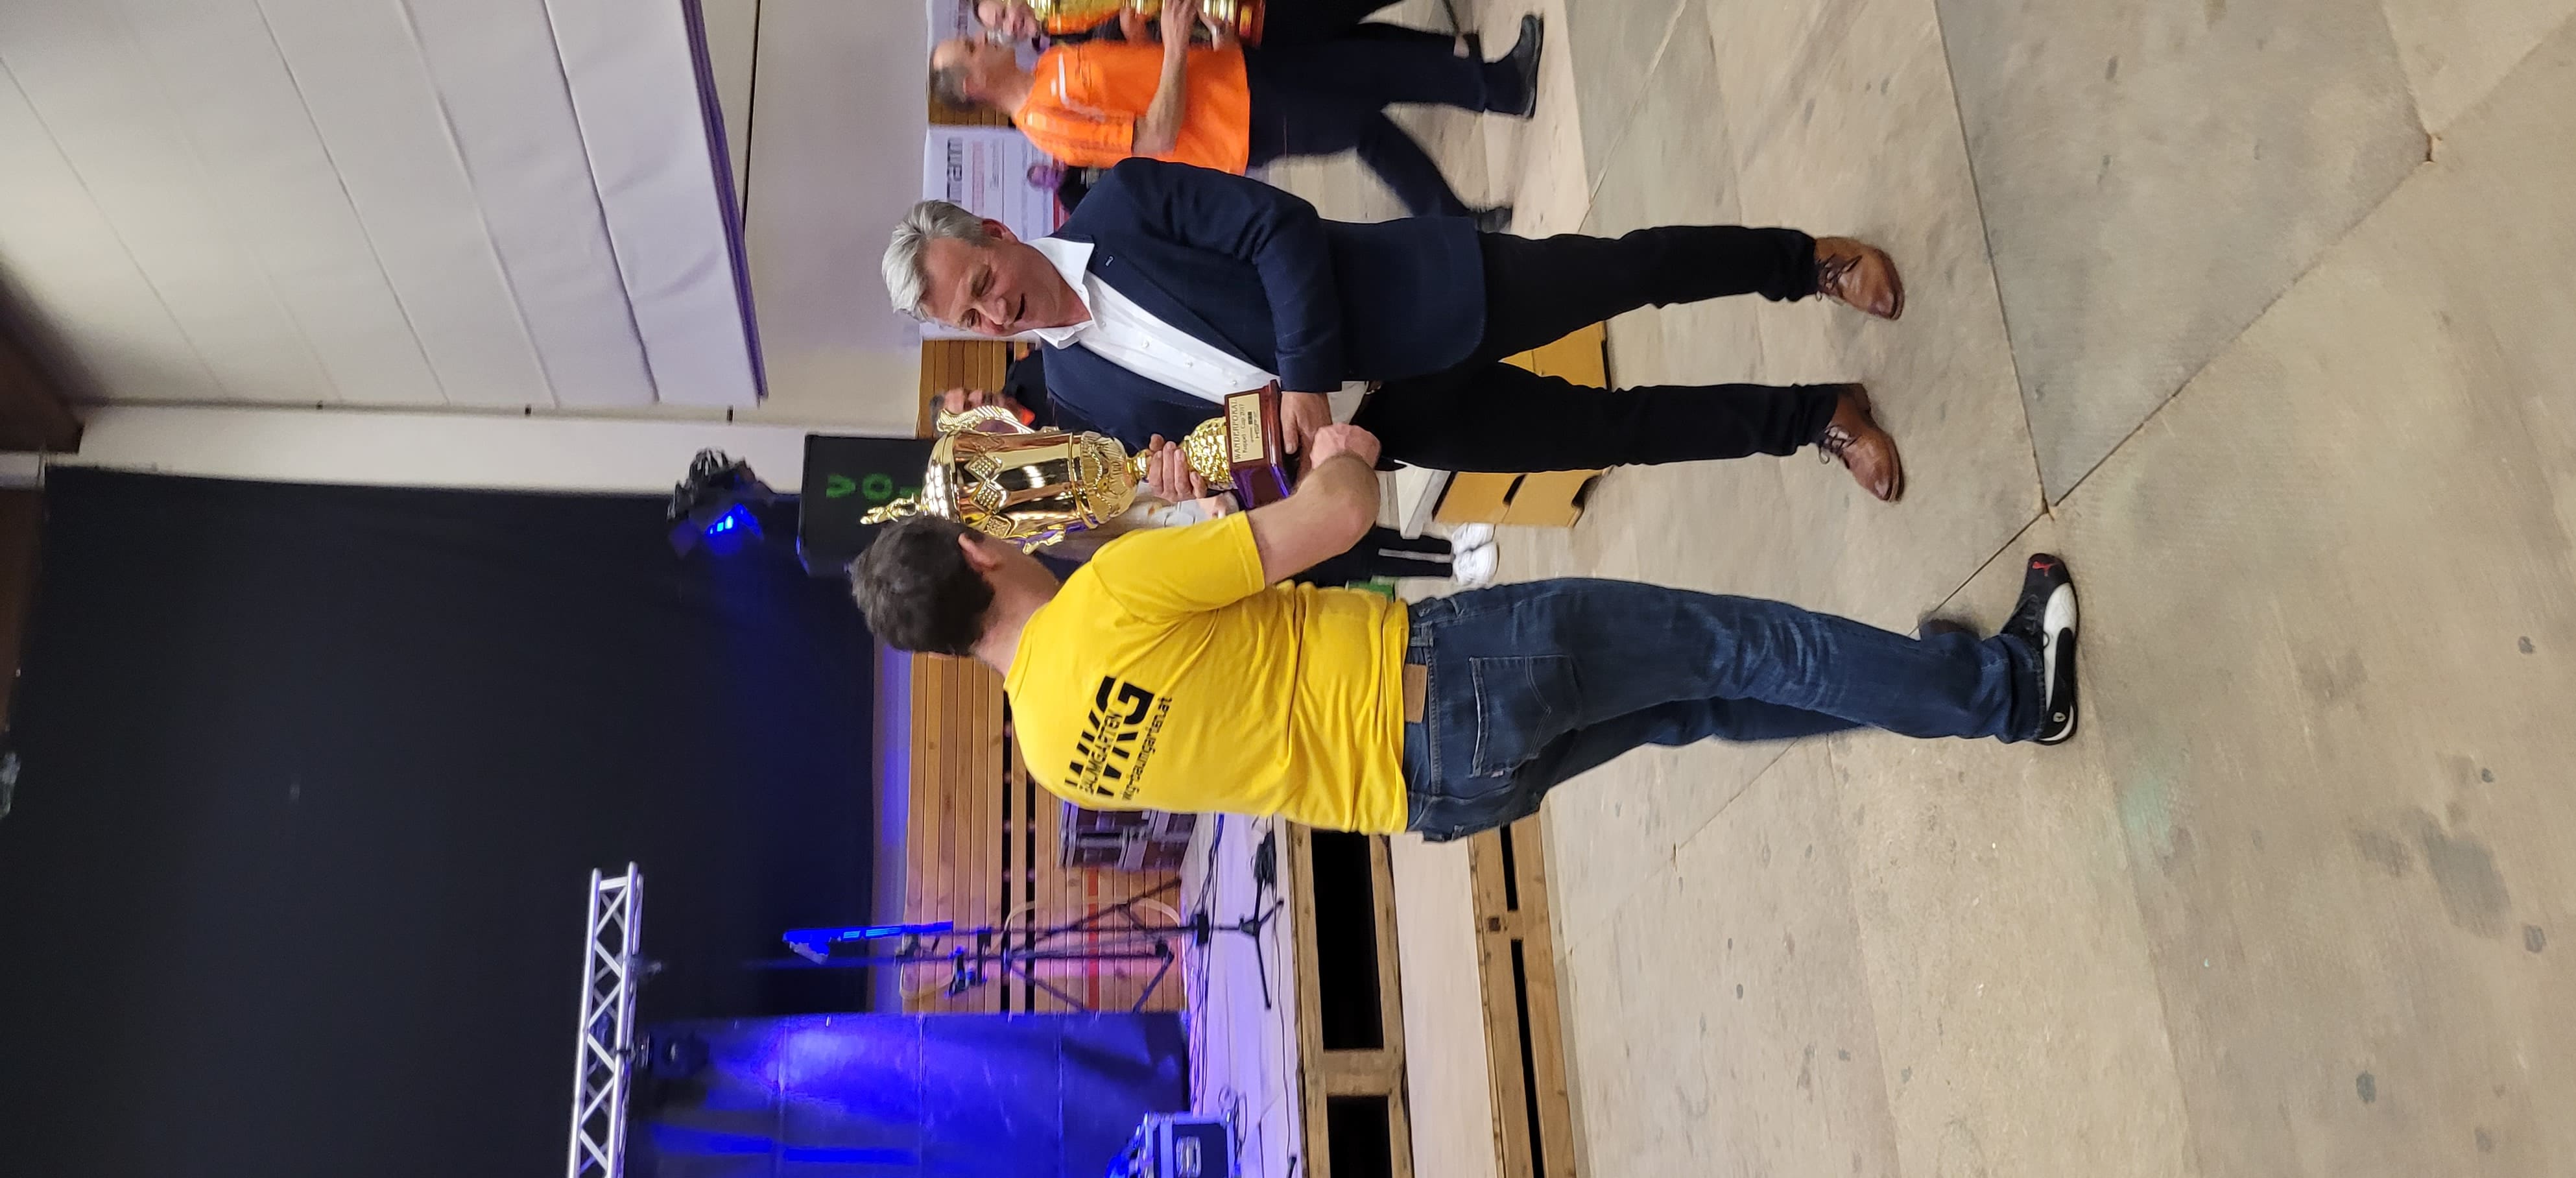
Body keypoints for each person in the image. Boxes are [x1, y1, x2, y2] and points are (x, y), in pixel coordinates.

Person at [847, 423, 2081, 838]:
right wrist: (1340, 453)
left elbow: (1216, 692)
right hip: (1456, 678)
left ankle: (1928, 680)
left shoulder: (1049, 756)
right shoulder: (1110, 595)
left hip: (1435, 798)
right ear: (980, 553)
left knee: (1697, 702)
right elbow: (1338, 519)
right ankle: (2011, 691)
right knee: (1736, 645)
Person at [882, 158, 1912, 502]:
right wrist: (1193, 479)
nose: (995, 312)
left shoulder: (1123, 206)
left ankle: (1806, 264)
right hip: (1399, 426)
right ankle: (1815, 417)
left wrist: (1304, 375)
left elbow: (1280, 230)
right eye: (971, 318)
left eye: (983, 282)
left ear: (997, 233)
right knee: (1618, 434)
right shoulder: (1078, 398)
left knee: (1630, 273)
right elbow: (1238, 456)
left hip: (1423, 296)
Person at [929, 0, 1542, 228]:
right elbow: (1154, 136)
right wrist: (1175, 48)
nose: (985, 38)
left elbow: (1140, 75)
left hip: (1239, 75)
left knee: (1365, 71)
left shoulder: (1050, 65)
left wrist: (1189, 40)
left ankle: (1501, 89)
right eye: (972, 47)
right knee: (1363, 124)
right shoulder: (1045, 121)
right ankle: (1455, 220)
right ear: (975, 84)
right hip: (1241, 124)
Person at [932, 383, 1497, 585]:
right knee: (1343, 552)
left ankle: (1446, 544)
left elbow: (1138, 436)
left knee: (1343, 492)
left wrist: (1172, 460)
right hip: (1213, 538)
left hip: (1216, 471)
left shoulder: (1054, 416)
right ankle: (1448, 568)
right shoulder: (1052, 537)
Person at [973, 0, 1471, 52]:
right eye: (1001, 27)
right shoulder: (1067, 42)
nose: (1010, 24)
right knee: (1341, 41)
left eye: (1004, 11)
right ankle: (1451, 52)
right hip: (1224, 37)